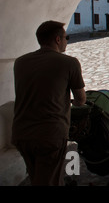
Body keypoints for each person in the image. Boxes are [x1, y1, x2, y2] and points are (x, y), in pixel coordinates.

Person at [11, 20, 86, 186]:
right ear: (58, 40)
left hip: (21, 133)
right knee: (48, 181)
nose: (67, 40)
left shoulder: (20, 62)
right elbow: (81, 100)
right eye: (66, 37)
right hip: (49, 134)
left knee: (38, 177)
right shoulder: (69, 63)